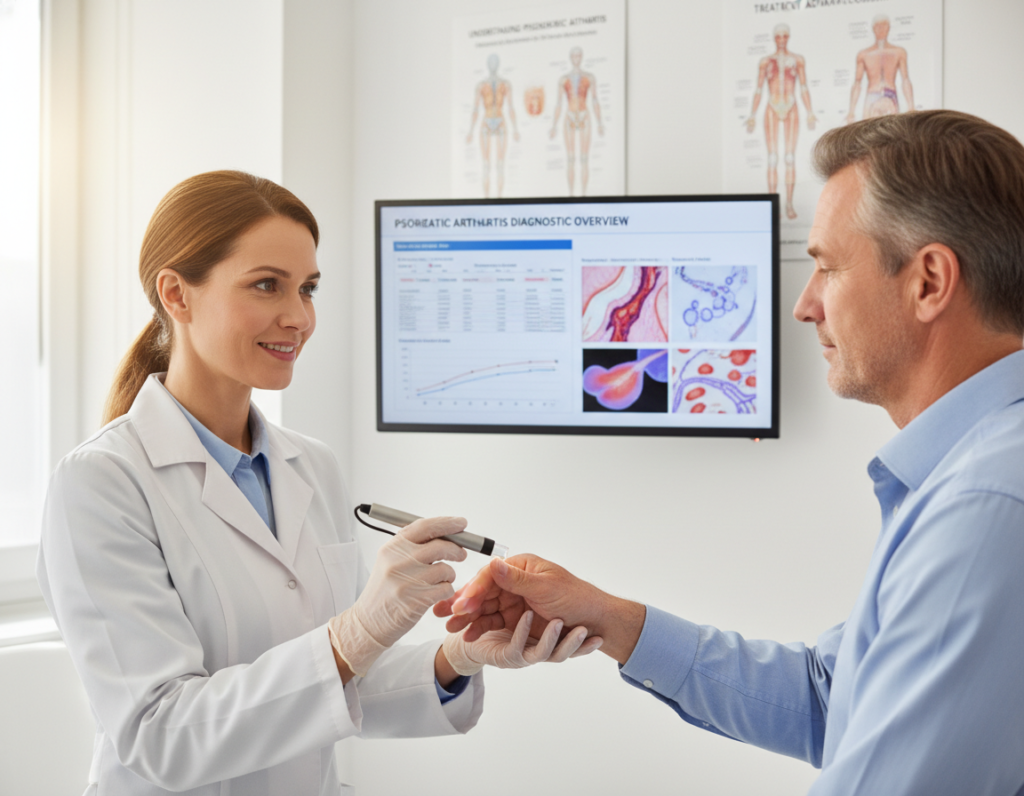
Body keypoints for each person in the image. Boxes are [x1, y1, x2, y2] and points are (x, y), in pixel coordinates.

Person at [438, 110, 1024, 795]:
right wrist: (609, 618)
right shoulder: (967, 477)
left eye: (828, 269)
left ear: (927, 281)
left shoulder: (988, 507)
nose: (805, 306)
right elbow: (829, 698)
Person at [37, 171, 598, 796]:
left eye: (307, 289)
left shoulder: (312, 466)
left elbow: (338, 692)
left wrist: (457, 658)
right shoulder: (101, 484)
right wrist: (355, 630)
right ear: (176, 294)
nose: (298, 317)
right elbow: (159, 736)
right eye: (266, 285)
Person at [745, 23, 817, 220]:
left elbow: (803, 87)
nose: (782, 40)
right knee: (772, 158)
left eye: (785, 36)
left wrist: (810, 111)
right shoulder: (765, 62)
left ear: (789, 37)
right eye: (779, 36)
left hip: (791, 106)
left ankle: (789, 204)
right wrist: (752, 114)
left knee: (790, 158)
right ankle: (771, 205)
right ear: (774, 38)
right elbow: (759, 89)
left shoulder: (798, 60)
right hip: (772, 106)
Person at [550, 46, 604, 196]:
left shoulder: (590, 77)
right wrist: (553, 125)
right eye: (574, 56)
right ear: (570, 58)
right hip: (569, 117)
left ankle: (584, 195)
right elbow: (559, 104)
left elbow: (594, 100)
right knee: (571, 159)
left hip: (584, 116)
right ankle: (571, 195)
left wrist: (600, 122)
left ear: (582, 57)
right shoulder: (563, 79)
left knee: (584, 159)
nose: (576, 59)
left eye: (579, 56)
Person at [466, 53, 520, 198]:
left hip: (501, 121)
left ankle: (499, 199)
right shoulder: (481, 86)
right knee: (486, 165)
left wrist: (515, 129)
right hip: (487, 121)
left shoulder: (506, 84)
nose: (493, 65)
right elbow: (476, 109)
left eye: (495, 62)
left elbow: (510, 107)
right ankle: (487, 199)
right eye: (491, 62)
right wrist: (470, 131)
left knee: (501, 164)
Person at [846, 15, 914, 123]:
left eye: (884, 25)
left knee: (892, 133)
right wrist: (851, 111)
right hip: (872, 95)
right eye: (878, 26)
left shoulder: (899, 52)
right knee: (868, 133)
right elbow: (857, 83)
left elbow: (905, 79)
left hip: (890, 95)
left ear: (889, 27)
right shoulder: (864, 54)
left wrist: (911, 107)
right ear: (873, 28)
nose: (881, 29)